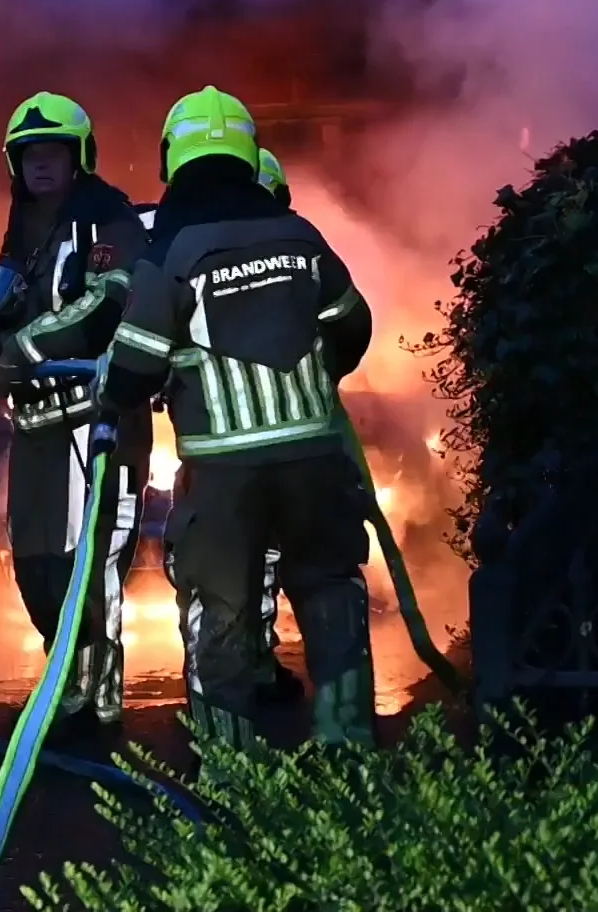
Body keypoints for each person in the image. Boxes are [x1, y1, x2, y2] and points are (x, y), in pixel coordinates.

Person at [94, 86, 378, 754]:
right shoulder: (300, 235)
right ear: (249, 154)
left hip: (222, 475)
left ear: (173, 159)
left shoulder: (172, 251)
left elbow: (133, 368)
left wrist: (118, 400)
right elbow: (352, 324)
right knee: (331, 592)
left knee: (219, 612)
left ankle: (231, 768)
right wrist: (311, 384)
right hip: (314, 458)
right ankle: (350, 750)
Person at [0, 91, 154, 740]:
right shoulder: (21, 234)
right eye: (30, 156)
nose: (41, 166)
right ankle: (67, 680)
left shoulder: (106, 221)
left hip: (97, 423)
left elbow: (108, 300)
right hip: (36, 430)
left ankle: (98, 702)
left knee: (90, 567)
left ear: (78, 156)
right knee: (35, 567)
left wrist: (24, 353)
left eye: (53, 153)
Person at [162, 143, 302, 707]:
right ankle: (238, 696)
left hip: (221, 457)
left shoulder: (186, 252)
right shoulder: (298, 247)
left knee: (220, 581)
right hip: (274, 455)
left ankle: (227, 720)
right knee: (247, 575)